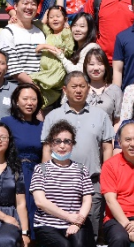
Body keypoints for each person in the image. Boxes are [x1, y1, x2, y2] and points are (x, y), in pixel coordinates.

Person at [32, 121, 95, 247]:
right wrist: (70, 217)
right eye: (57, 141)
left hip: (76, 222)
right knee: (63, 246)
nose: (62, 145)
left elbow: (87, 199)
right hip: (47, 224)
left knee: (79, 243)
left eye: (67, 141)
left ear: (72, 144)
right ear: (51, 144)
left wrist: (79, 221)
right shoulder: (41, 169)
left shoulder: (81, 169)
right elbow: (40, 202)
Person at [41, 72, 114, 234]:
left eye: (82, 86)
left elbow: (107, 148)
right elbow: (47, 149)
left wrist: (105, 176)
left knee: (91, 230)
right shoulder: (53, 116)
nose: (78, 90)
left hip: (92, 182)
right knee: (61, 229)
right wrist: (46, 177)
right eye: (74, 86)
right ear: (65, 90)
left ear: (88, 89)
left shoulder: (100, 115)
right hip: (60, 182)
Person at [0, 83, 44, 233]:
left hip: (35, 174)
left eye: (33, 99)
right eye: (25, 99)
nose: (29, 103)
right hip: (12, 173)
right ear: (16, 101)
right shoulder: (6, 122)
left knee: (34, 211)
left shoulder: (42, 126)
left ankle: (32, 245)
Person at [0, 0, 46, 85]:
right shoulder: (8, 32)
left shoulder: (40, 33)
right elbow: (13, 68)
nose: (29, 7)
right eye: (25, 3)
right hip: (14, 89)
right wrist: (34, 86)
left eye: (33, 4)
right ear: (15, 6)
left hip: (37, 89)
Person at [31, 5, 74, 107]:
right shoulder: (49, 33)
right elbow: (38, 23)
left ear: (65, 19)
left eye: (58, 16)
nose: (54, 19)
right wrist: (45, 16)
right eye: (51, 17)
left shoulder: (66, 33)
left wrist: (44, 46)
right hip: (46, 70)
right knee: (40, 96)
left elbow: (67, 51)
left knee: (31, 79)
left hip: (56, 71)